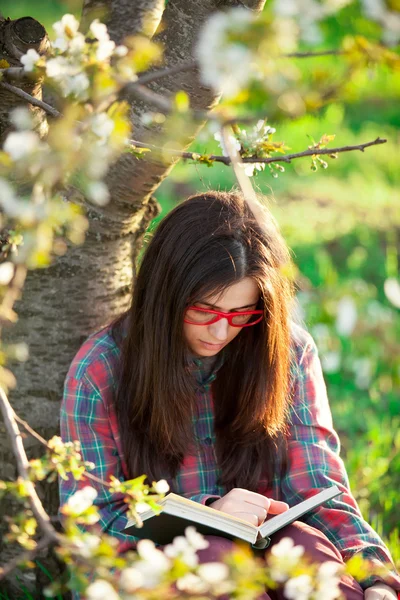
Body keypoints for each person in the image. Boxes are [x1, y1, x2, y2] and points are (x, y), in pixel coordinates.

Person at [59, 190, 400, 599]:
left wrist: (375, 576)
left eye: (242, 313)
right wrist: (205, 516)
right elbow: (90, 528)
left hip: (266, 552)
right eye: (204, 310)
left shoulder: (286, 352)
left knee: (308, 550)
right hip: (157, 574)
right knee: (214, 557)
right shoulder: (100, 370)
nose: (221, 332)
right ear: (165, 295)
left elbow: (316, 486)